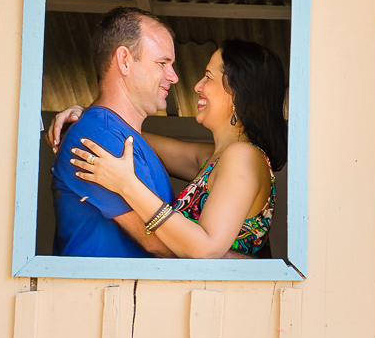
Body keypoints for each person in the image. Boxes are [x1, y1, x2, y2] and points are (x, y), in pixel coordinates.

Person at [53, 39, 288, 259]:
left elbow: (206, 248)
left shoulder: (242, 157)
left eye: (208, 77)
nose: (197, 86)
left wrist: (128, 185)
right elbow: (124, 136)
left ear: (236, 93)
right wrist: (87, 118)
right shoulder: (213, 158)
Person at [51, 7, 179, 257]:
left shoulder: (118, 134)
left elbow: (207, 160)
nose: (173, 76)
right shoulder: (99, 136)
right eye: (163, 63)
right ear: (124, 61)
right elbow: (163, 245)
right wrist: (254, 265)